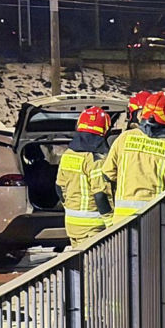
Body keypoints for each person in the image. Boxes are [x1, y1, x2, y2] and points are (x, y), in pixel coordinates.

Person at [95, 90, 165, 221]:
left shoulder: (124, 138)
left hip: (122, 222)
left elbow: (107, 177)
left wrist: (109, 217)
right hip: (156, 222)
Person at [56, 106, 113, 247]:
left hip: (71, 223)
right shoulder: (95, 159)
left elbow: (59, 187)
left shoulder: (68, 154)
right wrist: (111, 223)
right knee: (96, 267)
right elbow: (99, 194)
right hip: (93, 226)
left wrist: (70, 207)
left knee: (79, 264)